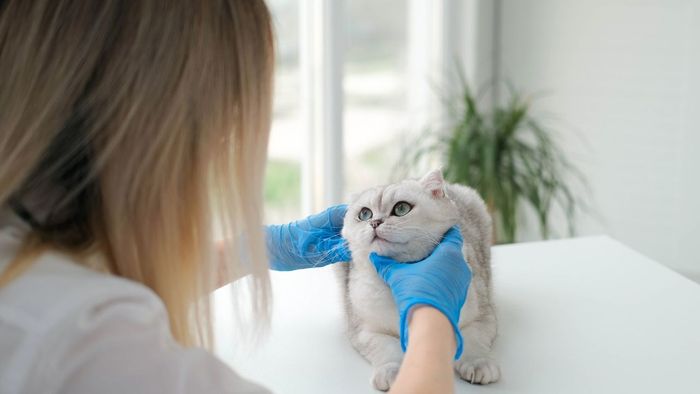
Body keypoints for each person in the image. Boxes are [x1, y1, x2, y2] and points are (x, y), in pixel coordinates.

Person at [0, 1, 472, 393]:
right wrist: (430, 322)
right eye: (226, 123)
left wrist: (251, 249)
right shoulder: (94, 343)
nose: (225, 146)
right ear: (160, 132)